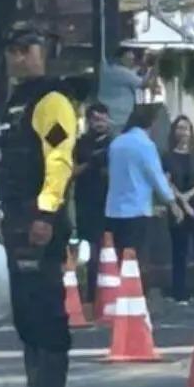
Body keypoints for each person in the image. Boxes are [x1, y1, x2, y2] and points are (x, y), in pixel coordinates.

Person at [0, 32, 77, 387]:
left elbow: (59, 159)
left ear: (46, 53)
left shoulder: (51, 101)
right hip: (15, 216)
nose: (19, 57)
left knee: (45, 306)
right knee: (25, 308)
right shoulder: (15, 103)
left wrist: (45, 214)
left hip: (38, 218)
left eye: (28, 49)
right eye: (13, 50)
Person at [106, 105, 184, 266]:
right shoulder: (145, 145)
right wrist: (172, 203)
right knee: (136, 261)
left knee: (117, 259)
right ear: (151, 124)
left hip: (113, 210)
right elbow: (156, 176)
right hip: (137, 210)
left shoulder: (116, 143)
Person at [163, 115, 194, 304]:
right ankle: (180, 292)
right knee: (179, 251)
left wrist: (189, 196)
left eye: (186, 128)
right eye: (179, 128)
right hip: (177, 209)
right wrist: (182, 201)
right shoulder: (167, 156)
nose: (183, 132)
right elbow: (166, 182)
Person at [72, 102, 115, 302]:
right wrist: (90, 163)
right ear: (89, 121)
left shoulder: (115, 144)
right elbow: (71, 171)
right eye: (95, 119)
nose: (100, 123)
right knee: (92, 252)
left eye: (103, 118)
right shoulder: (81, 144)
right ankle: (91, 295)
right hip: (87, 204)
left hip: (112, 203)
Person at [98, 46, 159, 131]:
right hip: (120, 118)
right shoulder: (120, 71)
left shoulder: (108, 67)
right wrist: (151, 67)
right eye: (130, 54)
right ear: (123, 55)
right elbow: (144, 84)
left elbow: (133, 73)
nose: (132, 58)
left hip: (111, 115)